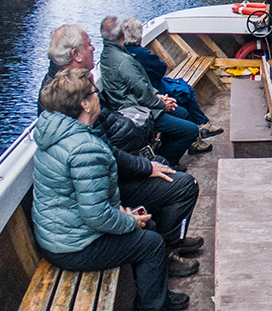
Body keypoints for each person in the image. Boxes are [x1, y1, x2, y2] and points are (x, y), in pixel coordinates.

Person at [39, 24, 204, 279]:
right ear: (76, 55)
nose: (94, 47)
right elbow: (100, 156)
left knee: (163, 163)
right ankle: (166, 249)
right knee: (183, 184)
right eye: (88, 44)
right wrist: (146, 167)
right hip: (110, 180)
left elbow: (103, 143)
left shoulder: (71, 83)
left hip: (111, 172)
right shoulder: (65, 95)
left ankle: (165, 241)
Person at [35, 68, 189, 311]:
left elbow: (85, 200)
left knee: (148, 227)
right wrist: (128, 221)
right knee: (152, 244)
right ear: (85, 105)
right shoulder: (84, 149)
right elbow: (96, 216)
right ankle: (153, 307)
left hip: (59, 234)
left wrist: (124, 214)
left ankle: (155, 296)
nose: (98, 97)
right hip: (74, 246)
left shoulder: (54, 135)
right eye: (95, 93)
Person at [98, 16, 204, 167]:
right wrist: (161, 104)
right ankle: (168, 162)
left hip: (137, 104)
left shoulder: (109, 54)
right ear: (123, 34)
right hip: (136, 111)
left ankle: (163, 154)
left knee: (182, 113)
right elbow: (141, 91)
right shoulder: (124, 61)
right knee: (191, 130)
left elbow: (140, 88)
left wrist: (157, 95)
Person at [120, 16, 222, 144]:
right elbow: (161, 67)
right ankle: (201, 127)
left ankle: (197, 134)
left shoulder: (122, 52)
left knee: (182, 92)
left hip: (148, 88)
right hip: (155, 87)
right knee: (186, 90)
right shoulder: (141, 53)